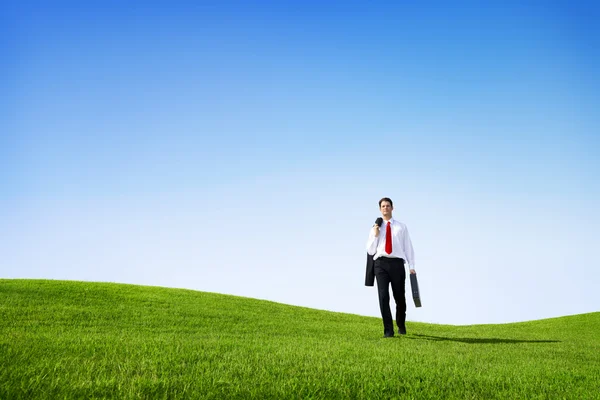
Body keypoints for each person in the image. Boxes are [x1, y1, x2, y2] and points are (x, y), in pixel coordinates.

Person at [366, 197, 416, 337]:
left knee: (399, 297)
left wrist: (411, 266)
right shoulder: (375, 227)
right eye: (383, 206)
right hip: (380, 264)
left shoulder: (401, 227)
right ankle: (388, 331)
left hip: (397, 264)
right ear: (380, 209)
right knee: (383, 297)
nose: (385, 208)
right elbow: (370, 251)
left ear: (392, 208)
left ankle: (401, 324)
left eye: (388, 206)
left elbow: (408, 247)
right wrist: (375, 235)